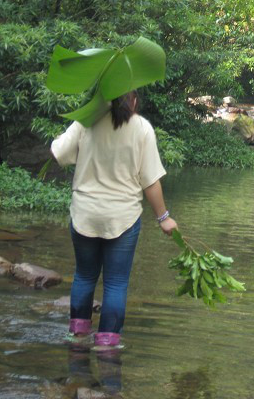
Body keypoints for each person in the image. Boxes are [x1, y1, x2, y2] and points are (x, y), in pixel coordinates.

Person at [50, 90, 177, 350]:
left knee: (84, 277)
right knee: (116, 283)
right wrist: (164, 217)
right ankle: (107, 345)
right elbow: (150, 181)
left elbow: (60, 154)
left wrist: (62, 136)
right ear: (134, 101)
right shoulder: (142, 128)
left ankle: (77, 337)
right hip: (123, 218)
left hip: (85, 213)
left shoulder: (86, 119)